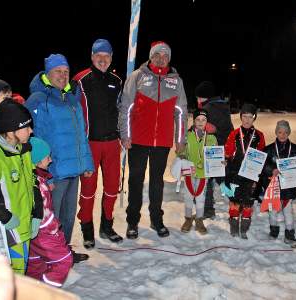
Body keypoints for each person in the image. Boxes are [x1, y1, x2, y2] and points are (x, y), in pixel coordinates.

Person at [25, 53, 94, 262]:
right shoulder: (39, 100)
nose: (63, 76)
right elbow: (35, 140)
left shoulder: (71, 98)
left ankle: (64, 253)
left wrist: (87, 163)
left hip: (73, 170)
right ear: (48, 73)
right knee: (50, 219)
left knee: (67, 216)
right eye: (58, 71)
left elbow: (81, 134)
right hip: (54, 173)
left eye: (66, 72)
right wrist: (46, 176)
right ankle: (48, 257)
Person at [119, 41, 188, 239]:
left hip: (162, 142)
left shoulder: (176, 81)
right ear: (151, 56)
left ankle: (156, 220)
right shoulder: (137, 76)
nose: (161, 58)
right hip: (138, 140)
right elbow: (126, 108)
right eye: (157, 54)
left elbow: (181, 112)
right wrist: (125, 135)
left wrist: (180, 139)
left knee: (157, 183)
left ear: (169, 59)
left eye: (165, 55)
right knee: (136, 181)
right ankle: (132, 221)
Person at [0, 99, 42, 274]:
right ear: (10, 131)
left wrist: (37, 213)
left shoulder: (24, 150)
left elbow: (33, 182)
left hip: (24, 228)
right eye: (26, 127)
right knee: (8, 279)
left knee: (20, 274)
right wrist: (5, 217)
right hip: (7, 231)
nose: (31, 130)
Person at [73, 39, 123, 249]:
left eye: (107, 56)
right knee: (88, 189)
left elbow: (122, 108)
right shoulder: (80, 80)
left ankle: (107, 225)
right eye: (98, 56)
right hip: (90, 144)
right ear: (92, 57)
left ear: (111, 58)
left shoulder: (117, 80)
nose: (103, 60)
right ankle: (87, 229)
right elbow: (73, 112)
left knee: (112, 187)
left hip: (112, 143)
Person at [26, 137, 73, 287]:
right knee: (64, 261)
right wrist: (55, 231)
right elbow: (44, 217)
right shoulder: (39, 185)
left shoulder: (32, 177)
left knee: (35, 264)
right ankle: (46, 292)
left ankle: (31, 292)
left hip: (32, 236)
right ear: (37, 161)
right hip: (44, 233)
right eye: (47, 157)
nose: (51, 160)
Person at [262, 120, 296, 248]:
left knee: (288, 210)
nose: (282, 135)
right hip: (273, 186)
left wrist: (295, 169)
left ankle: (289, 234)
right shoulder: (269, 149)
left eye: (285, 132)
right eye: (280, 132)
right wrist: (272, 170)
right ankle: (274, 230)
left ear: (289, 133)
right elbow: (263, 166)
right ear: (276, 132)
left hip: (289, 186)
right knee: (273, 210)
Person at [224, 103, 265, 239]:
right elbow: (228, 152)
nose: (247, 120)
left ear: (254, 118)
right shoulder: (234, 134)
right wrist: (225, 160)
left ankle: (244, 229)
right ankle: (234, 227)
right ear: (241, 117)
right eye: (244, 116)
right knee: (235, 201)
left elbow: (261, 155)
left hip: (251, 174)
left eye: (250, 117)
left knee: (248, 202)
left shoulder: (259, 135)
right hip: (235, 173)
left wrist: (258, 175)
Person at [195, 81, 234, 219]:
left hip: (211, 150)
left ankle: (208, 209)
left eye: (198, 97)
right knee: (221, 179)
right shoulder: (223, 106)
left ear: (203, 97)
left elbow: (199, 129)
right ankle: (236, 200)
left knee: (207, 179)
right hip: (223, 148)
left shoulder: (207, 109)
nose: (197, 100)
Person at [178, 109, 217, 234]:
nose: (200, 122)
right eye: (198, 120)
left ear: (207, 122)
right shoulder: (188, 135)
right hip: (189, 171)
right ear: (194, 121)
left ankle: (199, 219)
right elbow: (181, 150)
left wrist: (219, 162)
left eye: (203, 120)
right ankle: (188, 218)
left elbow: (215, 155)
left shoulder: (211, 138)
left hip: (203, 173)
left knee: (201, 197)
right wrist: (182, 155)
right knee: (188, 196)